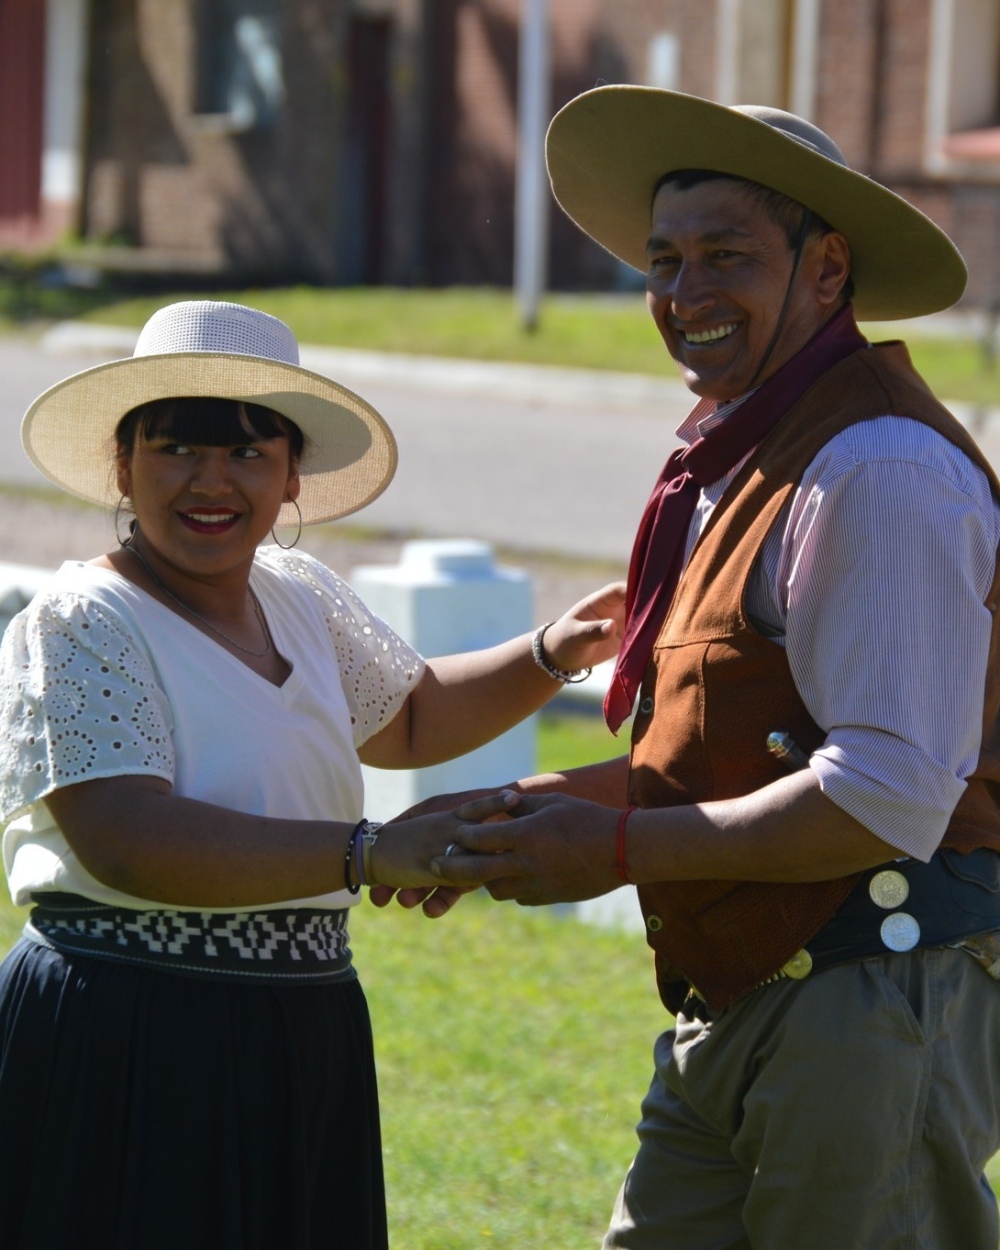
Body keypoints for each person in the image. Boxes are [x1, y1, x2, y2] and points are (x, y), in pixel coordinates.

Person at [427, 88, 1000, 1248]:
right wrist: (524, 812)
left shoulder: (877, 466)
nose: (684, 297)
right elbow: (736, 750)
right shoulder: (750, 454)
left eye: (725, 256)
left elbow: (887, 792)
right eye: (664, 261)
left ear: (826, 270)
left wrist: (618, 845)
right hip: (759, 996)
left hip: (875, 998)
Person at [0, 298, 625, 1249]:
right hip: (126, 1033)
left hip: (297, 1030)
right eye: (176, 449)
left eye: (250, 454)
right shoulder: (81, 619)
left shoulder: (296, 594)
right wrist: (370, 853)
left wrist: (552, 650)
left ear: (293, 476)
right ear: (121, 466)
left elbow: (410, 715)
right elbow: (127, 840)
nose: (212, 481)